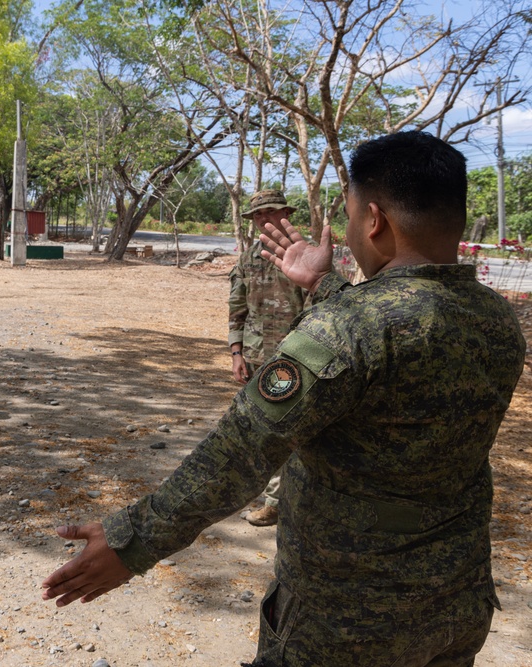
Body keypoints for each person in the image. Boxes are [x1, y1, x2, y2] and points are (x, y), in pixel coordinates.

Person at [40, 131, 526, 667]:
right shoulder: (496, 319)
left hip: (345, 619)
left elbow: (240, 451)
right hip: (456, 604)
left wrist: (132, 541)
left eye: (348, 215)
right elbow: (398, 346)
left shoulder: (345, 329)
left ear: (373, 220)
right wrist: (324, 283)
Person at [229, 189, 307, 527]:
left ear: (286, 213)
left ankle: (278, 502)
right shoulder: (248, 258)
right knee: (261, 429)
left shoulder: (308, 258)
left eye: (270, 212)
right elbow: (237, 309)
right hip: (257, 357)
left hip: (299, 358)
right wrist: (236, 353)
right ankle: (272, 496)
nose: (263, 219)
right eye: (258, 215)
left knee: (291, 430)